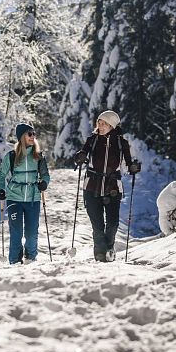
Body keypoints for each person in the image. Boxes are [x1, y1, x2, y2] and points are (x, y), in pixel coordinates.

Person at [74, 110, 141, 263]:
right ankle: (100, 255)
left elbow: (129, 163)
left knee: (112, 223)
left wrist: (133, 167)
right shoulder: (92, 140)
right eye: (99, 122)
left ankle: (109, 248)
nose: (100, 125)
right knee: (97, 226)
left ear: (112, 125)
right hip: (92, 186)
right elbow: (81, 155)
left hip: (113, 188)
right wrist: (80, 157)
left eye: (104, 123)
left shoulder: (121, 143)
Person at [0, 123, 50, 264]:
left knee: (31, 234)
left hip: (33, 199)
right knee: (16, 233)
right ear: (22, 137)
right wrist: (1, 189)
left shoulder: (38, 156)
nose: (33, 136)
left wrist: (44, 182)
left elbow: (45, 174)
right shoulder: (12, 156)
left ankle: (30, 258)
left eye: (34, 134)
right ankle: (14, 261)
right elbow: (1, 175)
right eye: (29, 134)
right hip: (14, 198)